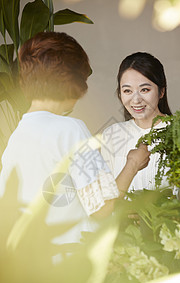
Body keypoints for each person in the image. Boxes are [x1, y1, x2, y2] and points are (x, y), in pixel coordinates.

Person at [0, 33, 150, 245]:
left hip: (33, 265)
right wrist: (133, 164)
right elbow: (102, 208)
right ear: (72, 81)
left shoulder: (18, 136)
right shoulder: (70, 129)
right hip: (70, 263)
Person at [101, 52, 172, 191]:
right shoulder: (112, 134)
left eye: (144, 89)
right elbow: (106, 195)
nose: (136, 100)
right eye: (127, 91)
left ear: (161, 91)